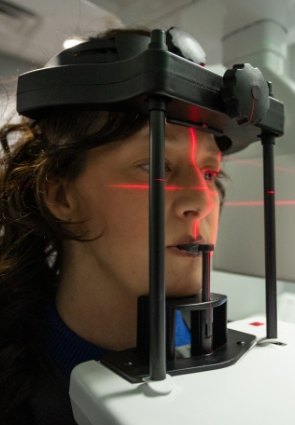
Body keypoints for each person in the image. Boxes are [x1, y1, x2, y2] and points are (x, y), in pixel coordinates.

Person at [0, 28, 226, 425]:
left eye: (210, 174)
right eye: (155, 166)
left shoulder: (234, 370)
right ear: (61, 197)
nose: (203, 201)